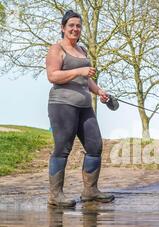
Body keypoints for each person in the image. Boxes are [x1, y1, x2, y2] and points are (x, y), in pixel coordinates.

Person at [46, 10, 114, 207]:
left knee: (95, 146)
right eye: (71, 26)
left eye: (78, 26)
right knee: (62, 148)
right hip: (62, 105)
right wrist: (79, 70)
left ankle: (90, 191)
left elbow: (86, 79)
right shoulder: (56, 49)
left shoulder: (82, 50)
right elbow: (53, 76)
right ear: (63, 28)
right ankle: (55, 195)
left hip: (85, 106)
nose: (75, 29)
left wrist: (99, 91)